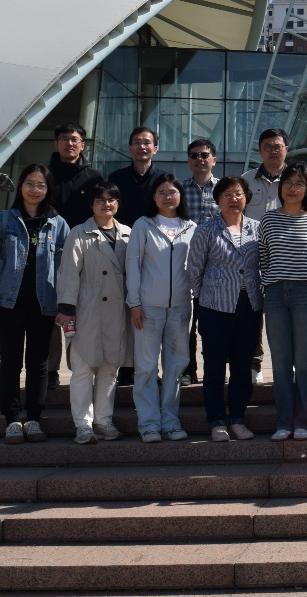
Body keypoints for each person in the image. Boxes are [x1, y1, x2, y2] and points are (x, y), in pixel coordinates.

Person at [0, 165, 70, 444]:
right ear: (20, 186)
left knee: (39, 364)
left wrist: (65, 304)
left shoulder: (58, 224)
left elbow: (65, 268)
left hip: (45, 304)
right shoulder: (4, 220)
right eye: (30, 183)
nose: (34, 189)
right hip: (9, 303)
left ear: (48, 189)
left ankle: (34, 418)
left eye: (41, 185)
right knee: (10, 362)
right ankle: (12, 420)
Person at [258, 163, 307, 441]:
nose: (293, 188)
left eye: (299, 184)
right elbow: (264, 257)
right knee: (280, 362)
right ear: (281, 187)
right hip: (275, 294)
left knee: (303, 362)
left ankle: (303, 422)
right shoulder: (269, 219)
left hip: (306, 294)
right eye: (288, 183)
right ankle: (283, 422)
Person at [186, 176, 263, 442]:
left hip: (249, 305)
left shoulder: (257, 228)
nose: (234, 199)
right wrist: (204, 299)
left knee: (243, 366)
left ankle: (238, 419)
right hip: (215, 306)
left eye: (238, 194)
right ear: (217, 200)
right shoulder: (206, 230)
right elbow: (194, 271)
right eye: (227, 194)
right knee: (215, 366)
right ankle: (217, 421)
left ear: (246, 198)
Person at [55, 182, 131, 444]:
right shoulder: (79, 232)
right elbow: (69, 271)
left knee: (110, 368)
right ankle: (83, 424)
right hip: (86, 309)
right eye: (100, 199)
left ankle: (104, 420)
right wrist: (67, 308)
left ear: (118, 204)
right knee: (83, 368)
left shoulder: (128, 234)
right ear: (91, 204)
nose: (106, 204)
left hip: (117, 311)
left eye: (111, 199)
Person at [125, 175, 196, 443]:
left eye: (172, 191)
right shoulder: (144, 225)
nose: (168, 196)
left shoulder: (191, 227)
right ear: (153, 197)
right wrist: (134, 303)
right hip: (148, 308)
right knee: (145, 368)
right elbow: (133, 264)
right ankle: (149, 424)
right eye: (162, 192)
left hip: (181, 306)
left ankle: (170, 422)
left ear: (180, 195)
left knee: (176, 367)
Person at [46, 122, 105, 390]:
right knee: (50, 313)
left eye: (74, 139)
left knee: (84, 313)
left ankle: (83, 368)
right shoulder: (43, 175)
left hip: (85, 252)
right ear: (56, 143)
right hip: (48, 252)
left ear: (83, 145)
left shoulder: (94, 177)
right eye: (64, 138)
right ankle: (49, 371)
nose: (69, 143)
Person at [108, 126, 166, 387]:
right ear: (130, 147)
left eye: (147, 142)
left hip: (155, 252)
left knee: (151, 312)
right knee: (124, 310)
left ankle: (150, 366)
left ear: (155, 148)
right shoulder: (116, 178)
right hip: (121, 249)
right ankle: (126, 366)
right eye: (137, 142)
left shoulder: (164, 179)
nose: (142, 147)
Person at [241, 127, 291, 384]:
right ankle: (254, 363)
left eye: (277, 146)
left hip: (286, 255)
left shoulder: (297, 179)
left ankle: (288, 363)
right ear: (260, 151)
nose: (273, 151)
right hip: (251, 254)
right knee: (252, 312)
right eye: (267, 147)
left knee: (285, 312)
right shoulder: (246, 180)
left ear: (286, 150)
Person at [180, 138, 220, 386]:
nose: (200, 160)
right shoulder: (179, 190)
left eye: (205, 155)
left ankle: (213, 371)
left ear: (214, 159)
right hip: (186, 265)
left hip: (217, 266)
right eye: (194, 155)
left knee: (212, 325)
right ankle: (188, 370)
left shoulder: (224, 189)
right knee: (187, 323)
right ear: (188, 161)